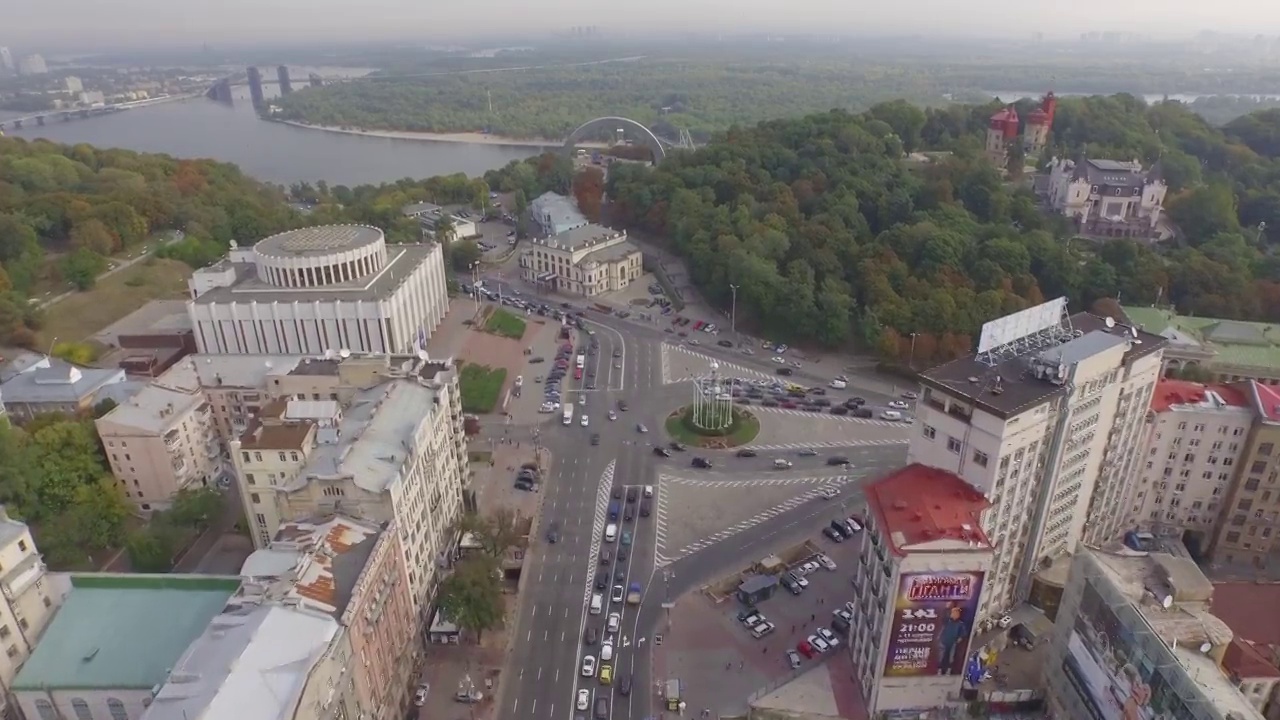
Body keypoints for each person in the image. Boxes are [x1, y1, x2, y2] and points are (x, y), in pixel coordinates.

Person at [937, 603, 971, 676]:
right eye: (954, 612)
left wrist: (959, 638)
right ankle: (940, 670)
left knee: (950, 658)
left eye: (957, 613)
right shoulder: (947, 621)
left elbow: (963, 633)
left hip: (952, 644)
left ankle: (947, 671)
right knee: (941, 657)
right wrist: (946, 608)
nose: (955, 614)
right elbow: (943, 617)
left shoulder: (960, 624)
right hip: (943, 643)